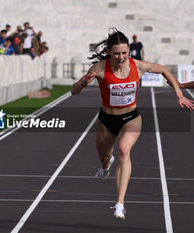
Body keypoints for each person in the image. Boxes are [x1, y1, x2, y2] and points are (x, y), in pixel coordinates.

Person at [71, 29, 194, 220]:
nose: (121, 57)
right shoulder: (100, 68)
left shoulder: (138, 66)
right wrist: (84, 83)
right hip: (106, 120)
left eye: (124, 53)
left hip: (131, 118)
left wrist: (180, 95)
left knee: (123, 151)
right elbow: (74, 91)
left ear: (129, 51)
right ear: (109, 52)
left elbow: (163, 70)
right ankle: (105, 167)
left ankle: (119, 204)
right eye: (117, 53)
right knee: (105, 157)